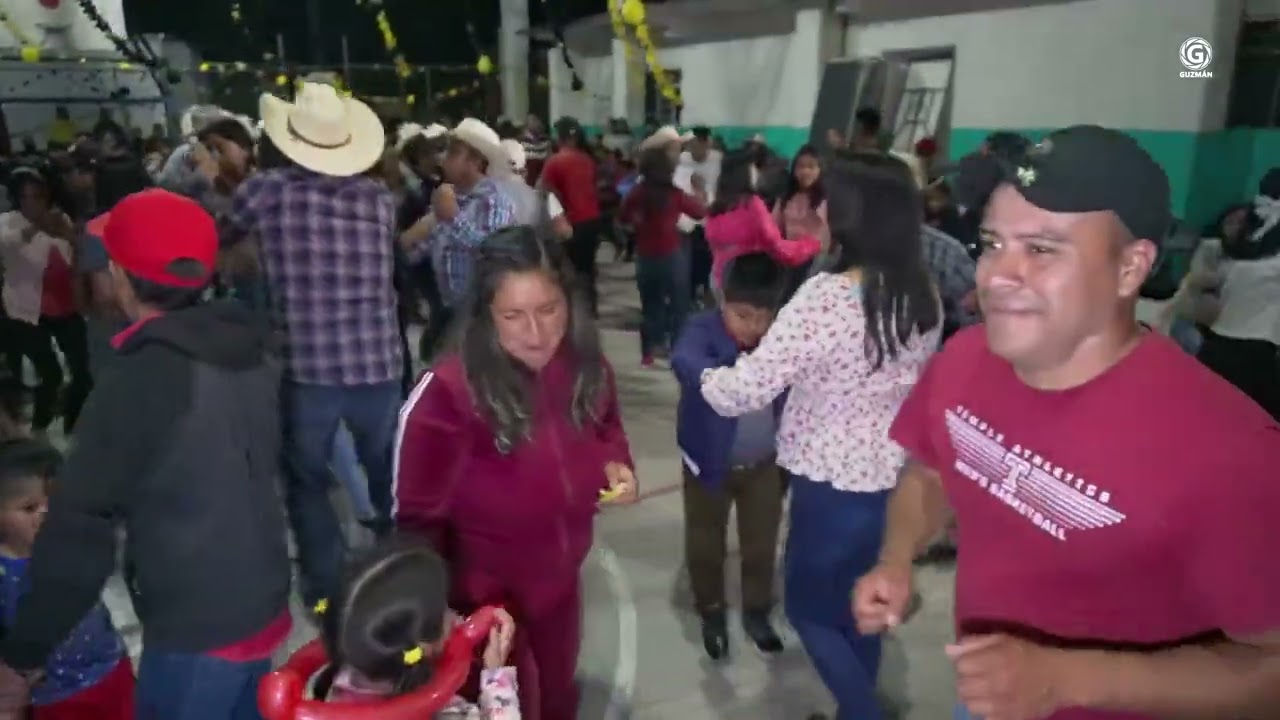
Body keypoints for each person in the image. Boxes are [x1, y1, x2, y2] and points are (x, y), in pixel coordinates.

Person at [853, 126, 1280, 720]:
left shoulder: (1231, 453)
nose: (998, 274)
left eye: (1042, 249)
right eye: (992, 243)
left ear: (1131, 269)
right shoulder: (965, 360)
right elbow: (932, 472)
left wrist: (1064, 679)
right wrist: (896, 559)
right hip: (988, 699)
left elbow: (1270, 668)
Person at [0, 188, 292, 719]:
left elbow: (78, 530)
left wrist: (22, 656)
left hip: (195, 625)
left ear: (118, 273)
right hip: (261, 600)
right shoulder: (249, 347)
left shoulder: (139, 380)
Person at [700, 158, 940, 720]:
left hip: (831, 486)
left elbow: (749, 387)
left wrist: (705, 377)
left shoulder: (826, 297)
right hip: (892, 478)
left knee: (809, 609)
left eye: (827, 199)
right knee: (866, 606)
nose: (818, 208)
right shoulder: (919, 292)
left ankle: (863, 713)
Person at [394, 226, 637, 720]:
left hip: (560, 586)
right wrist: (435, 609)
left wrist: (617, 463)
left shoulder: (586, 367)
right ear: (485, 316)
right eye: (513, 315)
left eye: (549, 310)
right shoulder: (447, 395)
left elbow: (606, 426)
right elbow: (415, 520)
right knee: (504, 705)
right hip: (485, 610)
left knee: (556, 695)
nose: (537, 333)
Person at [226, 83, 403, 603]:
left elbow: (221, 234)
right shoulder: (379, 199)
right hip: (378, 360)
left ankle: (325, 591)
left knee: (307, 482)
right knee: (389, 476)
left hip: (310, 366)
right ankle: (399, 568)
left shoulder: (265, 191)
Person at [670, 253, 789, 661]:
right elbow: (684, 359)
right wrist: (716, 378)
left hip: (763, 466)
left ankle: (757, 611)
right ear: (723, 301)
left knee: (761, 544)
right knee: (706, 545)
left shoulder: (781, 339)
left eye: (763, 317)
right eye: (742, 315)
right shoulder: (700, 331)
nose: (753, 327)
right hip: (708, 464)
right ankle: (712, 611)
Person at [0, 438, 134, 719]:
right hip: (57, 695)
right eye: (29, 508)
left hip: (111, 668)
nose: (48, 514)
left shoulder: (75, 544)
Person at [311, 539, 521, 718]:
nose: (454, 618)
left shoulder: (331, 686)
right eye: (444, 610)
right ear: (423, 646)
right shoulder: (447, 711)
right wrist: (496, 677)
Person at [401, 118, 516, 355]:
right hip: (452, 308)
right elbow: (429, 243)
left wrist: (452, 217)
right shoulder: (456, 198)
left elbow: (492, 251)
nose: (444, 159)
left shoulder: (493, 200)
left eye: (453, 152)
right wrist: (403, 249)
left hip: (480, 312)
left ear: (475, 161)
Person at [0, 167, 91, 435]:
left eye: (38, 196)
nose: (32, 203)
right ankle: (38, 428)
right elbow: (8, 245)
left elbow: (78, 252)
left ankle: (73, 424)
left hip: (65, 305)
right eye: (26, 197)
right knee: (50, 375)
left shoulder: (58, 219)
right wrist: (39, 225)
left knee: (82, 372)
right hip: (27, 310)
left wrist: (68, 233)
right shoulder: (8, 222)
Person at [619, 147, 706, 366]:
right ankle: (677, 350)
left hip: (646, 257)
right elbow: (700, 211)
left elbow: (624, 216)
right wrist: (699, 190)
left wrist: (638, 225)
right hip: (671, 256)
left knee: (650, 305)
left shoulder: (637, 193)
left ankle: (648, 353)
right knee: (679, 306)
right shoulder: (675, 194)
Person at [704, 151, 819, 298]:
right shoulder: (752, 204)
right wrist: (810, 244)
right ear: (745, 173)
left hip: (718, 279)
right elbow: (778, 247)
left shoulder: (715, 208)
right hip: (744, 284)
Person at [539, 117, 603, 315]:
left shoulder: (555, 162)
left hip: (571, 221)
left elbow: (546, 192)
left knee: (568, 269)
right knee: (587, 267)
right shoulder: (588, 160)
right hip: (592, 219)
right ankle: (589, 308)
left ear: (560, 137)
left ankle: (572, 310)